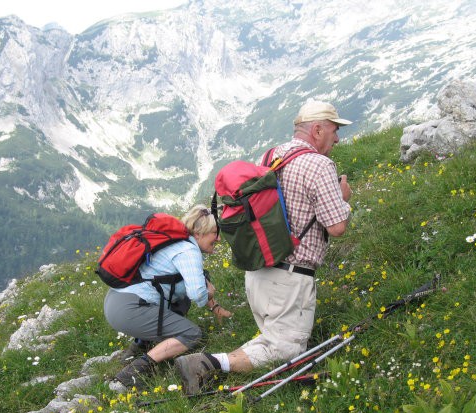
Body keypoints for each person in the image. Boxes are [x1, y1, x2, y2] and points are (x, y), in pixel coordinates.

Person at [175, 100, 352, 395]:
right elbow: (336, 227)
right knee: (286, 350)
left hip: (259, 270)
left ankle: (213, 367)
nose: (337, 138)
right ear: (318, 129)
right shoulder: (320, 165)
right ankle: (207, 364)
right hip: (289, 277)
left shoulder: (271, 156)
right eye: (334, 130)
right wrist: (343, 197)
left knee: (273, 341)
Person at [104, 204, 232, 393]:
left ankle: (139, 346)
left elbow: (193, 282)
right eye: (214, 233)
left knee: (194, 283)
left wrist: (215, 307)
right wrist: (210, 294)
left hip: (117, 300)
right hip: (129, 308)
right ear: (198, 234)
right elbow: (198, 294)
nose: (219, 238)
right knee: (192, 334)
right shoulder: (188, 251)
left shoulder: (175, 242)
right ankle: (134, 372)